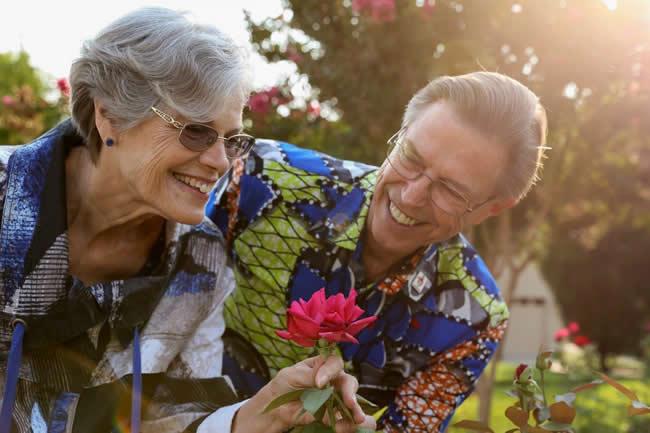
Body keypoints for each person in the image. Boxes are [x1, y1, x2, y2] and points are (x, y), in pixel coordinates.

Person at [0, 7, 374, 433]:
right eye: (195, 131)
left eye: (232, 140)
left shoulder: (202, 259)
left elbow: (173, 418)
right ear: (109, 115)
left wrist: (257, 414)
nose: (219, 161)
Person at [207, 71, 548, 432]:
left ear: (491, 208)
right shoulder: (262, 180)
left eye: (451, 190)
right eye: (411, 158)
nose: (411, 196)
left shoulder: (475, 318)